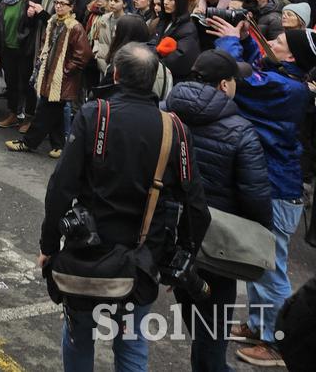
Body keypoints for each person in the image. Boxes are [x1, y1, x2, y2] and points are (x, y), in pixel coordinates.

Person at [40, 42, 210, 372]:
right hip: (145, 256)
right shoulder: (173, 128)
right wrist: (182, 258)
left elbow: (60, 188)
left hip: (88, 251)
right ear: (155, 80)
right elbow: (196, 206)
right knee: (131, 344)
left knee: (78, 337)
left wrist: (48, 245)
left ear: (115, 74)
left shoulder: (94, 114)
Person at [205, 18, 316, 366]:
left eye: (279, 40)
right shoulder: (289, 80)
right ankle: (259, 325)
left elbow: (245, 79)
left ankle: (278, 340)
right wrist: (244, 38)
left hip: (279, 189)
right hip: (270, 184)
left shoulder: (289, 89)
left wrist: (228, 44)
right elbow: (263, 62)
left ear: (294, 57)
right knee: (256, 259)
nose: (271, 42)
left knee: (271, 268)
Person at [166, 50, 272, 372]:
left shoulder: (166, 113)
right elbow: (256, 198)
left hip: (174, 237)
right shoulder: (241, 131)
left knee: (198, 325)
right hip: (219, 247)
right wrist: (260, 236)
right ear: (224, 85)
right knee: (212, 335)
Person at [5, 0, 91, 158]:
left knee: (44, 112)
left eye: (63, 4)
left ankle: (28, 142)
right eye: (56, 3)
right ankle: (59, 145)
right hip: (48, 73)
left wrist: (66, 71)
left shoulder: (75, 27)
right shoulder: (53, 22)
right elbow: (46, 43)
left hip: (61, 79)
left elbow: (84, 55)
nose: (58, 6)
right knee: (54, 112)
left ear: (71, 7)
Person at [0, 0, 35, 128]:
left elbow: (30, 27)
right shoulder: (3, 4)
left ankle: (28, 118)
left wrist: (31, 16)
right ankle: (13, 114)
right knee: (10, 83)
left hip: (23, 50)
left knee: (25, 85)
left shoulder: (26, 2)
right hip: (8, 50)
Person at [154, 0, 200, 82]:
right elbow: (154, 41)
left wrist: (153, 63)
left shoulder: (188, 28)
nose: (165, 2)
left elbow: (181, 57)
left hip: (173, 79)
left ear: (180, 2)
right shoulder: (163, 20)